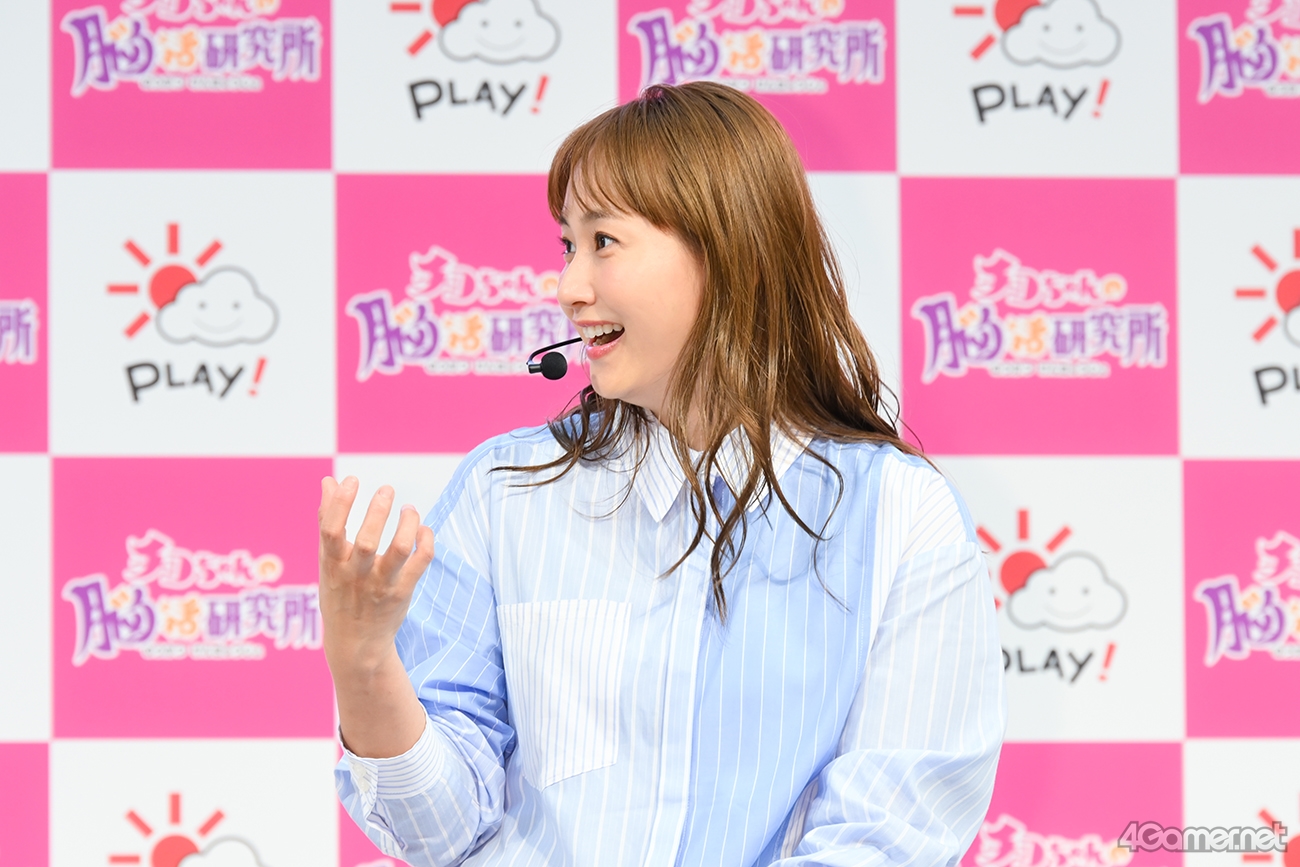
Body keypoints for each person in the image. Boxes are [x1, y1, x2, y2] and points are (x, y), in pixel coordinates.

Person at [319, 81, 1006, 867]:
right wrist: (364, 664)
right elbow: (438, 833)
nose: (568, 288)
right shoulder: (503, 490)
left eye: (603, 241)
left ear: (727, 248)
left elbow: (888, 837)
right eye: (567, 245)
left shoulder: (901, 515)